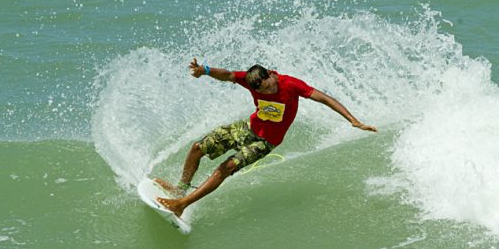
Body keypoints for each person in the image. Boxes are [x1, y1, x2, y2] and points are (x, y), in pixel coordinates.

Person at [155, 58, 377, 217]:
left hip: (266, 141)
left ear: (271, 74)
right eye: (264, 91)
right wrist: (204, 70)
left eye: (270, 87)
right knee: (197, 147)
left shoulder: (291, 84)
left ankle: (182, 204)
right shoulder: (251, 81)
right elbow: (228, 75)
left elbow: (325, 98)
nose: (269, 92)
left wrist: (352, 119)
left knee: (226, 167)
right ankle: (179, 190)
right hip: (249, 127)